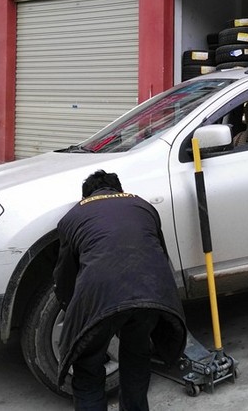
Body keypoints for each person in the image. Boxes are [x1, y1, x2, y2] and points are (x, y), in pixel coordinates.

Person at [53, 170, 186, 411]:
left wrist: (73, 311)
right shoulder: (144, 207)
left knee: (87, 369)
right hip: (150, 293)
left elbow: (65, 278)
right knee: (136, 357)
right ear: (119, 190)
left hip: (101, 297)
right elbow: (160, 257)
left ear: (86, 196)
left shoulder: (72, 217)